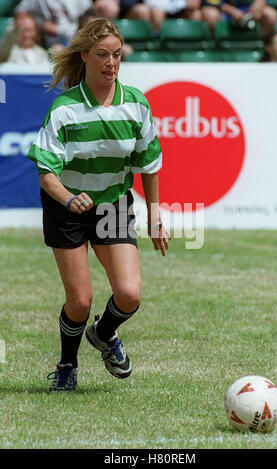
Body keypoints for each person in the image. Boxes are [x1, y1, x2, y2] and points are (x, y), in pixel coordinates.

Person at [27, 18, 170, 392]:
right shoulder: (65, 109)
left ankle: (104, 334)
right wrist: (71, 199)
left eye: (117, 55)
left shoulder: (136, 104)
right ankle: (66, 366)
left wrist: (155, 214)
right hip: (65, 206)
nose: (111, 62)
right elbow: (46, 174)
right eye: (103, 55)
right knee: (80, 300)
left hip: (112, 206)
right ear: (85, 56)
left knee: (129, 294)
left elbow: (149, 165)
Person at [14, 0, 93, 50]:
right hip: (45, 44)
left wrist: (58, 29)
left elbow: (88, 25)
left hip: (75, 42)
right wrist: (40, 24)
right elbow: (21, 12)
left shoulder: (83, 2)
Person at [201, 0, 277, 37]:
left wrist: (257, 5)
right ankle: (214, 50)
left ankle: (266, 49)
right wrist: (229, 10)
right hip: (222, 10)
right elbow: (210, 2)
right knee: (210, 14)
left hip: (246, 9)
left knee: (270, 14)